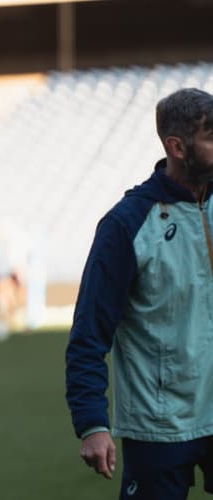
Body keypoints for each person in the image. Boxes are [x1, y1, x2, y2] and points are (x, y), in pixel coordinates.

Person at [66, 87, 213, 500]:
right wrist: (92, 424)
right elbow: (89, 333)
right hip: (160, 423)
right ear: (177, 147)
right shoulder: (126, 225)